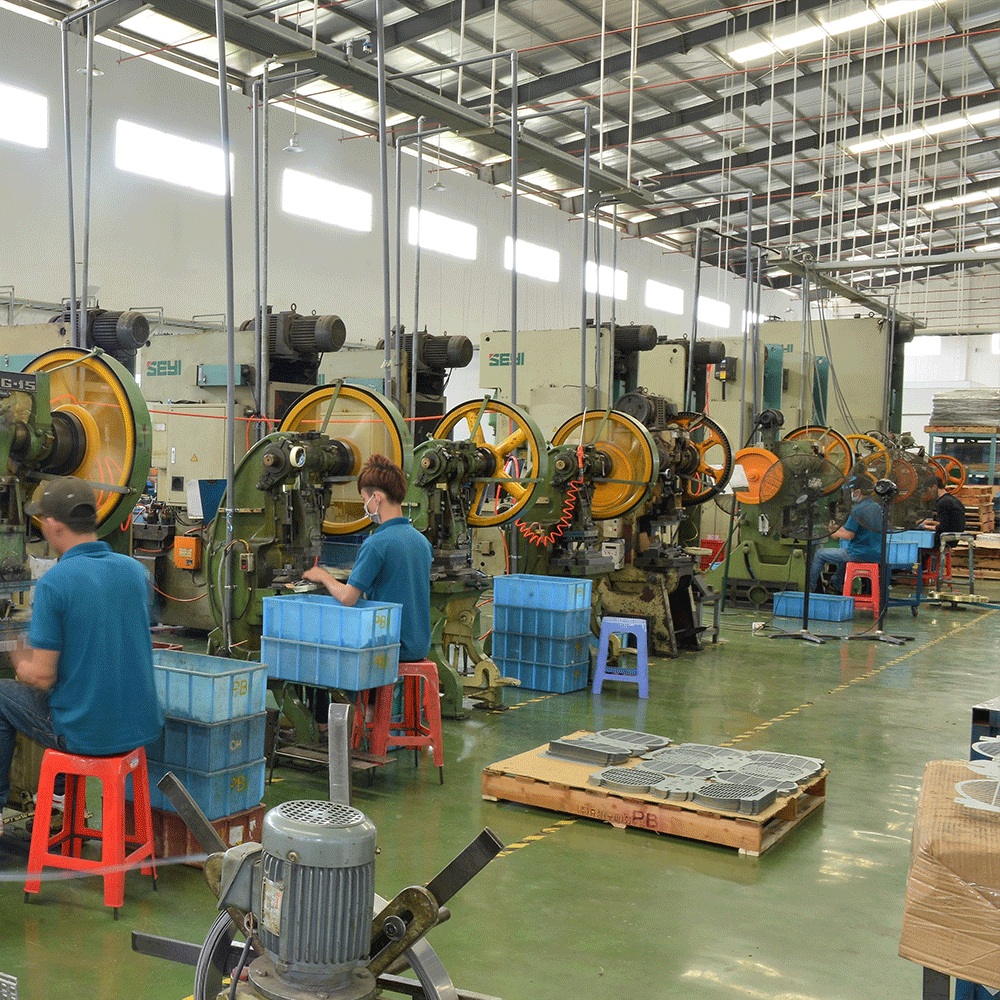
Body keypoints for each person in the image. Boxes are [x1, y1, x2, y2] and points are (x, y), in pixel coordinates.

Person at [0, 478, 163, 831]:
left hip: (89, 735)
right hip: (141, 725)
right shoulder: (134, 571)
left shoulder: (55, 583)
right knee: (69, 693)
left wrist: (11, 645)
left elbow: (42, 676)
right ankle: (59, 798)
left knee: (4, 696)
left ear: (53, 524)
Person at [304, 455, 433, 662]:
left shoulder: (376, 544)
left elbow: (348, 598)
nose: (365, 506)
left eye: (365, 499)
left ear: (377, 497)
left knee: (320, 652)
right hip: (419, 646)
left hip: (390, 646)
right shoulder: (421, 541)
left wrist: (322, 576)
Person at [808, 474, 883, 594]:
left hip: (859, 554)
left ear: (858, 492)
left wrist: (834, 533)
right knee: (844, 557)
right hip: (876, 554)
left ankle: (809, 588)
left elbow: (849, 535)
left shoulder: (858, 509)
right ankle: (835, 583)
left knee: (820, 554)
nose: (851, 494)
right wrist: (837, 529)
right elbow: (857, 530)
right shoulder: (876, 507)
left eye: (852, 491)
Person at [920, 473, 967, 550]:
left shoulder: (942, 503)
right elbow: (949, 523)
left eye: (928, 490)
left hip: (946, 539)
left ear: (934, 487)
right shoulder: (952, 500)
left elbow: (943, 528)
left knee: (919, 543)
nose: (929, 494)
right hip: (954, 537)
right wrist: (929, 522)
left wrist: (924, 526)